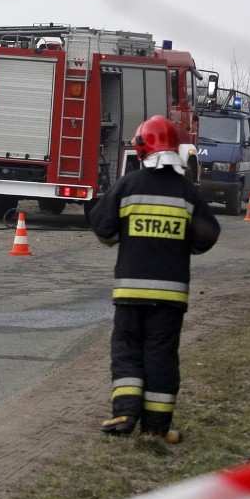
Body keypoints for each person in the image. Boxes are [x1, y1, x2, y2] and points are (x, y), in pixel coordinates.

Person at [89, 115, 221, 440]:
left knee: (127, 349)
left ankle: (124, 412)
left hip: (130, 293)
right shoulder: (189, 193)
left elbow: (103, 229)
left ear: (141, 147)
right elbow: (208, 234)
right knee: (161, 355)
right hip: (171, 298)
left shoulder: (128, 185)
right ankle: (156, 427)